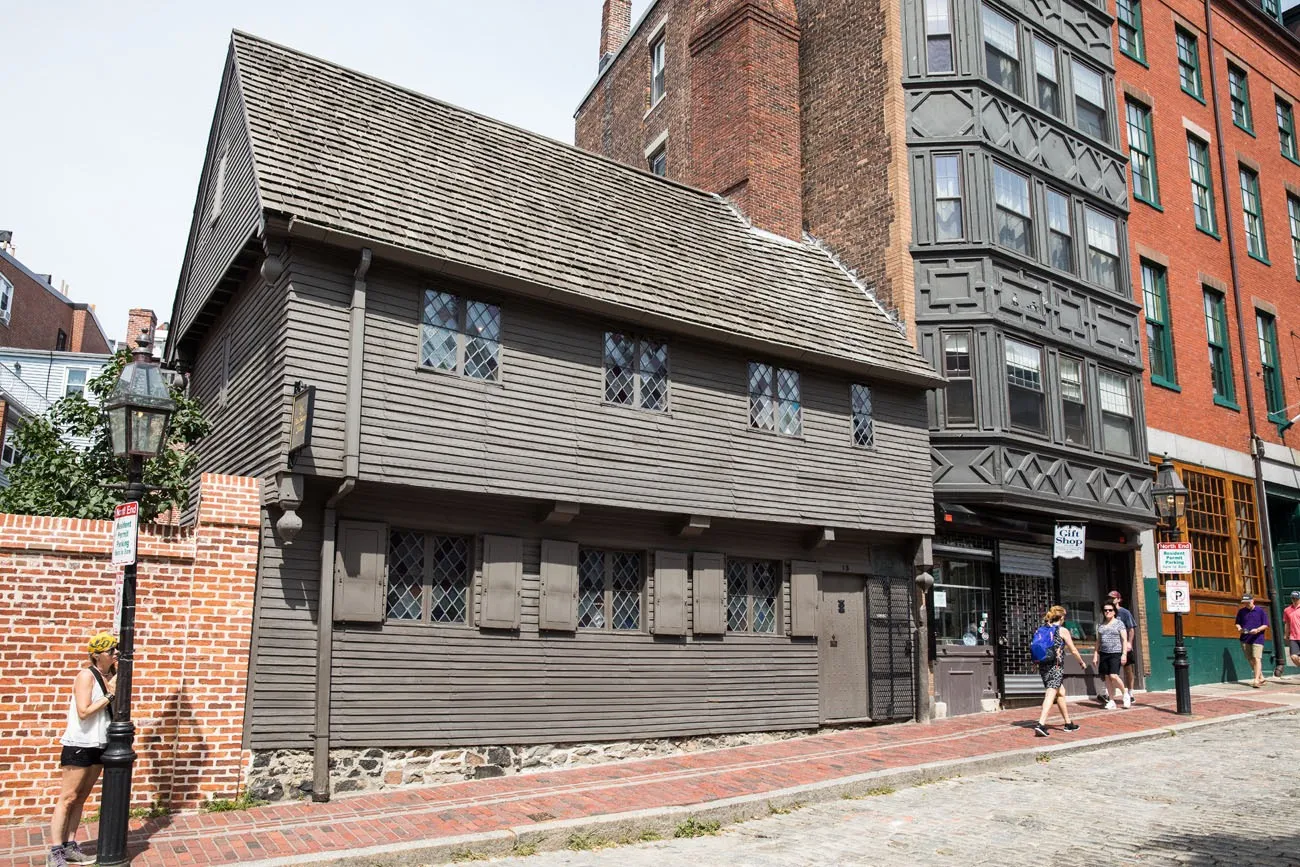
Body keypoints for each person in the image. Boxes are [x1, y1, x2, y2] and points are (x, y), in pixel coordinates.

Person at [49, 633, 118, 867]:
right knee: (67, 797)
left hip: (100, 743)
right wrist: (110, 695)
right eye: (111, 650)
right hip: (80, 743)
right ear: (97, 655)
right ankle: (55, 851)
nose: (116, 653)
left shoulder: (112, 675)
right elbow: (84, 711)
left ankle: (70, 845)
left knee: (81, 799)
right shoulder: (86, 676)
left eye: (116, 649)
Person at [1034, 605, 1087, 737]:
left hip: (1043, 665)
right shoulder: (1062, 630)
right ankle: (1041, 724)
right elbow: (1073, 649)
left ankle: (1068, 723)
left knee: (1061, 692)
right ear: (1062, 617)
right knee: (1051, 693)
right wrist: (1081, 661)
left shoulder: (1041, 629)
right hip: (1056, 666)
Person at [1092, 602, 1130, 709]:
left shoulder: (1119, 623)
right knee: (1107, 677)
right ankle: (1112, 700)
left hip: (1116, 652)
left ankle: (1125, 694)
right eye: (1105, 610)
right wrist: (1095, 654)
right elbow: (1098, 642)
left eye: (1110, 610)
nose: (1107, 612)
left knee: (1113, 675)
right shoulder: (1101, 625)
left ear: (1114, 612)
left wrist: (1124, 654)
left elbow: (1124, 639)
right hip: (1104, 653)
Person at [1107, 590, 1138, 706]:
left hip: (1124, 646)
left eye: (1113, 598)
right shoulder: (1107, 611)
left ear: (1119, 599)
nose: (1111, 599)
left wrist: (1129, 643)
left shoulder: (1125, 613)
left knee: (1128, 670)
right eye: (1109, 597)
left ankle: (1130, 693)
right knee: (1112, 672)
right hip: (1111, 647)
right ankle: (1111, 694)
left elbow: (1131, 629)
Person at [1235, 594, 1269, 688]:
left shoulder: (1260, 611)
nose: (1246, 604)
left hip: (1257, 638)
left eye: (1248, 602)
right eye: (1245, 603)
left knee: (1257, 658)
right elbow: (1237, 623)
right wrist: (1239, 628)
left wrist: (1257, 630)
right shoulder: (1241, 611)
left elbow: (1266, 625)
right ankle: (1261, 677)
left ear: (1253, 601)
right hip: (1245, 639)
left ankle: (1256, 680)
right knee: (1250, 659)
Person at [1283, 590, 1300, 671]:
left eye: (1296, 598)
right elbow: (1287, 623)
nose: (1294, 600)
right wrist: (1286, 634)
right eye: (1293, 598)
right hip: (1293, 637)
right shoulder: (1287, 610)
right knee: (1293, 657)